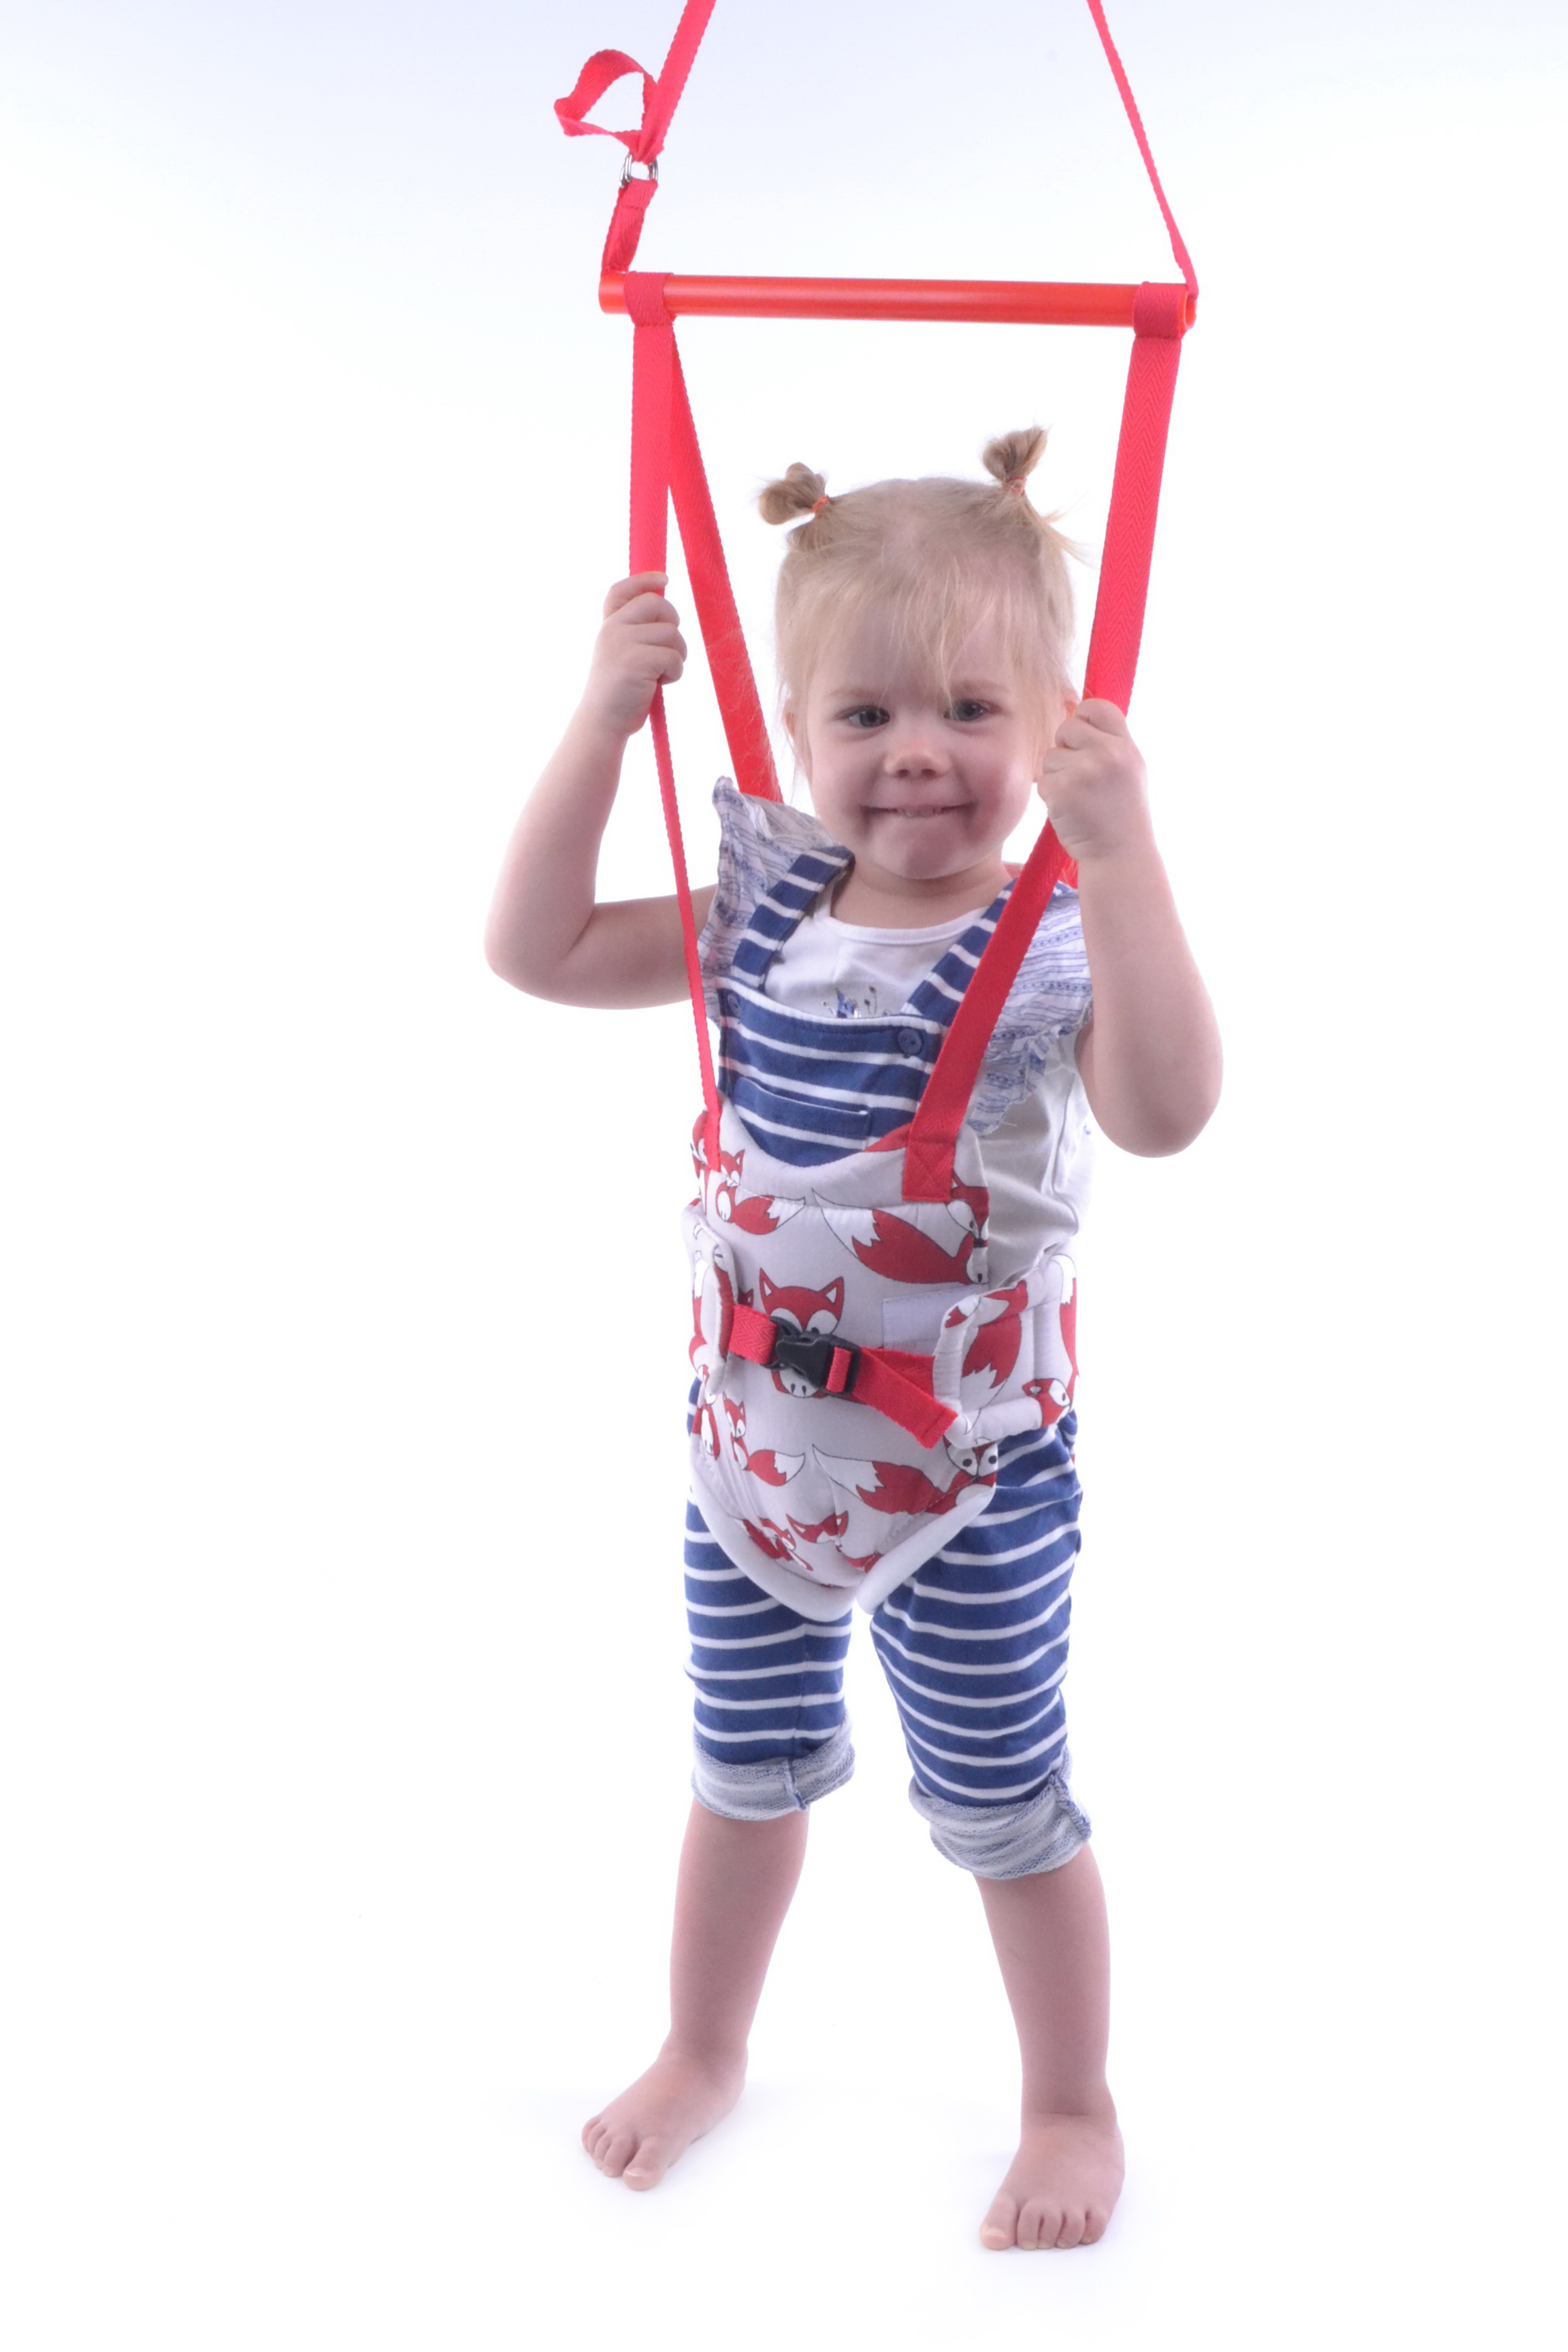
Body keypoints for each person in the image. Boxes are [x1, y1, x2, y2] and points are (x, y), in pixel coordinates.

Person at [485, 428, 1221, 2251]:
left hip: (970, 1483)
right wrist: (601, 727)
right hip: (752, 1465)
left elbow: (1167, 1110)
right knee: (738, 1774)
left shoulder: (1052, 948)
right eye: (865, 714)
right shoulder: (762, 917)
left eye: (972, 710)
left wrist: (1126, 859)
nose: (914, 752)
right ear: (801, 736)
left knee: (1003, 1803)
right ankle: (703, 2045)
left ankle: (1070, 2100)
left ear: (1056, 723)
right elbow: (538, 950)